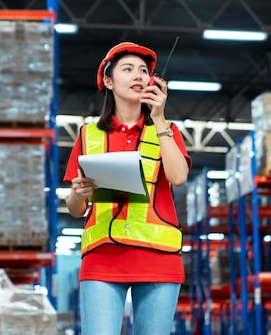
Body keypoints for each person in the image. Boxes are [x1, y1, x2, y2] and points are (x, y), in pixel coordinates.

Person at [64, 41, 191, 335]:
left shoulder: (167, 131)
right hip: (102, 258)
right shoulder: (88, 135)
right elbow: (75, 210)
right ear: (108, 81)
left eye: (144, 71)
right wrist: (76, 195)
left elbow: (179, 177)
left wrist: (158, 119)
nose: (139, 76)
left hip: (158, 258)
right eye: (128, 69)